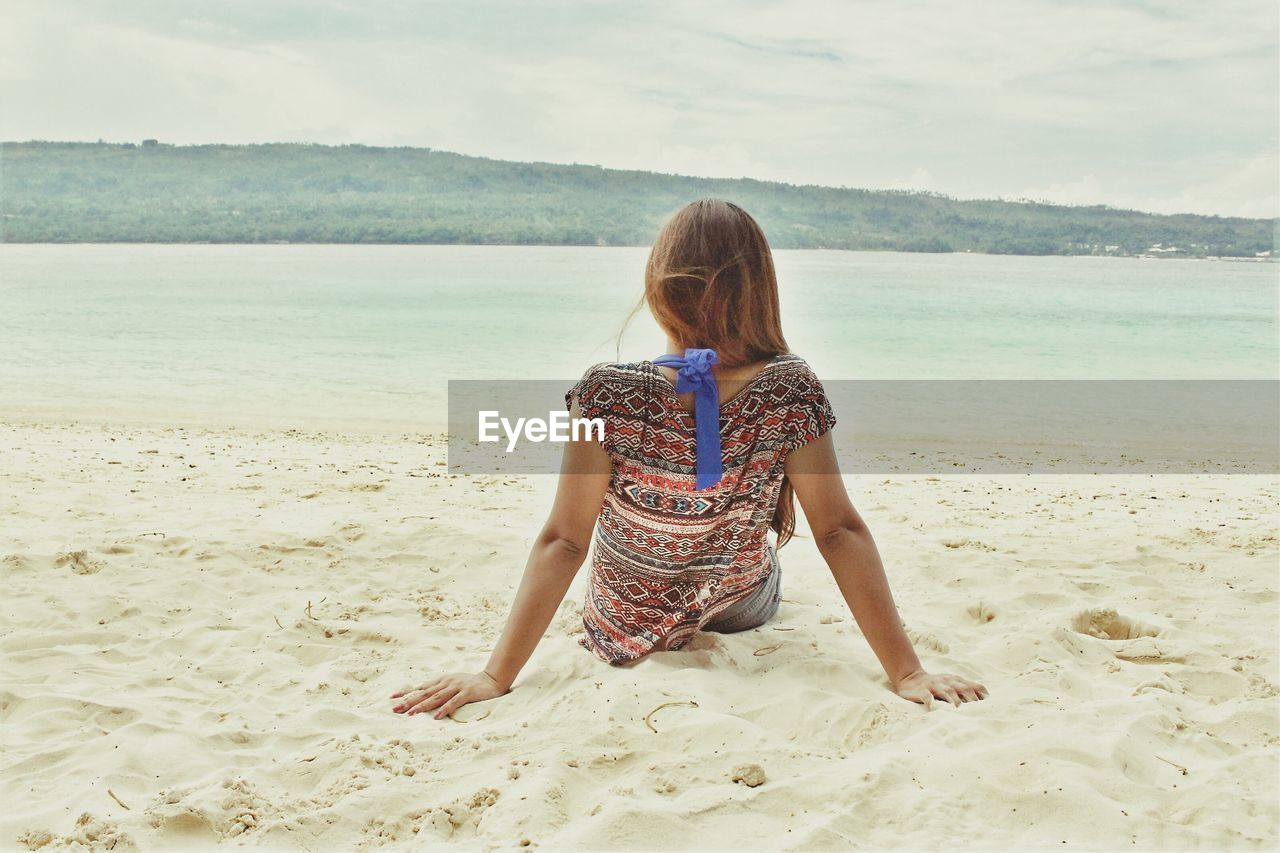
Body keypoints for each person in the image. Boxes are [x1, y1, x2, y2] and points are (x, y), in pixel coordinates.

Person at [392, 199, 987, 719]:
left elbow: (564, 542)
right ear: (761, 289)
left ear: (660, 288)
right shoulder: (790, 387)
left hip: (623, 618)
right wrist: (907, 672)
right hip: (737, 608)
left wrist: (496, 676)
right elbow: (837, 529)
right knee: (763, 558)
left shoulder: (606, 390)